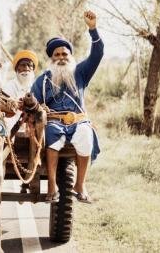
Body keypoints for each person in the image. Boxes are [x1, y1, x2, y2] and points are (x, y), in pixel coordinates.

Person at [30, 10, 104, 203]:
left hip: (78, 121)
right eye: (57, 54)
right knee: (52, 137)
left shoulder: (81, 72)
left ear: (70, 56)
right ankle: (52, 186)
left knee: (86, 136)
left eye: (64, 53)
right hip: (53, 121)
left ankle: (80, 185)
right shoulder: (43, 80)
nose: (61, 57)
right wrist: (39, 107)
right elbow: (33, 102)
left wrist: (93, 29)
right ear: (51, 58)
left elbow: (98, 54)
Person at [3, 49, 39, 131]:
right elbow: (6, 112)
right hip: (12, 125)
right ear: (17, 69)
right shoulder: (9, 86)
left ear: (33, 69)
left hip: (34, 125)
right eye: (23, 65)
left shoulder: (37, 86)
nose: (26, 68)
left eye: (29, 65)